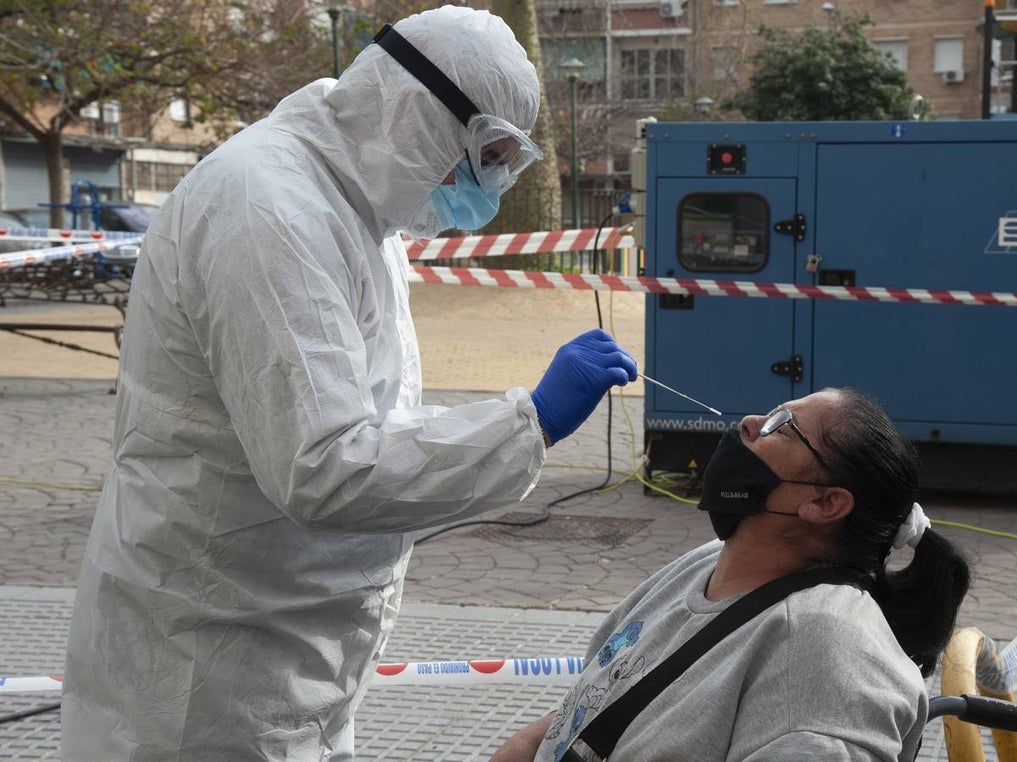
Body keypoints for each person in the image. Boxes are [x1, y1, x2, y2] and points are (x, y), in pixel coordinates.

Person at [61, 7, 636, 761]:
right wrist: (528, 423)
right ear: (412, 109)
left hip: (298, 649)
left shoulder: (361, 214)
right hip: (208, 666)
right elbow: (324, 465)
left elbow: (367, 415)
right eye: (483, 155)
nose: (485, 185)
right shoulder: (265, 205)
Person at [494, 387, 971, 762]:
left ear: (825, 503)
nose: (750, 423)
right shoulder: (709, 561)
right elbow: (601, 701)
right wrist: (520, 750)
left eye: (783, 426)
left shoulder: (826, 660)